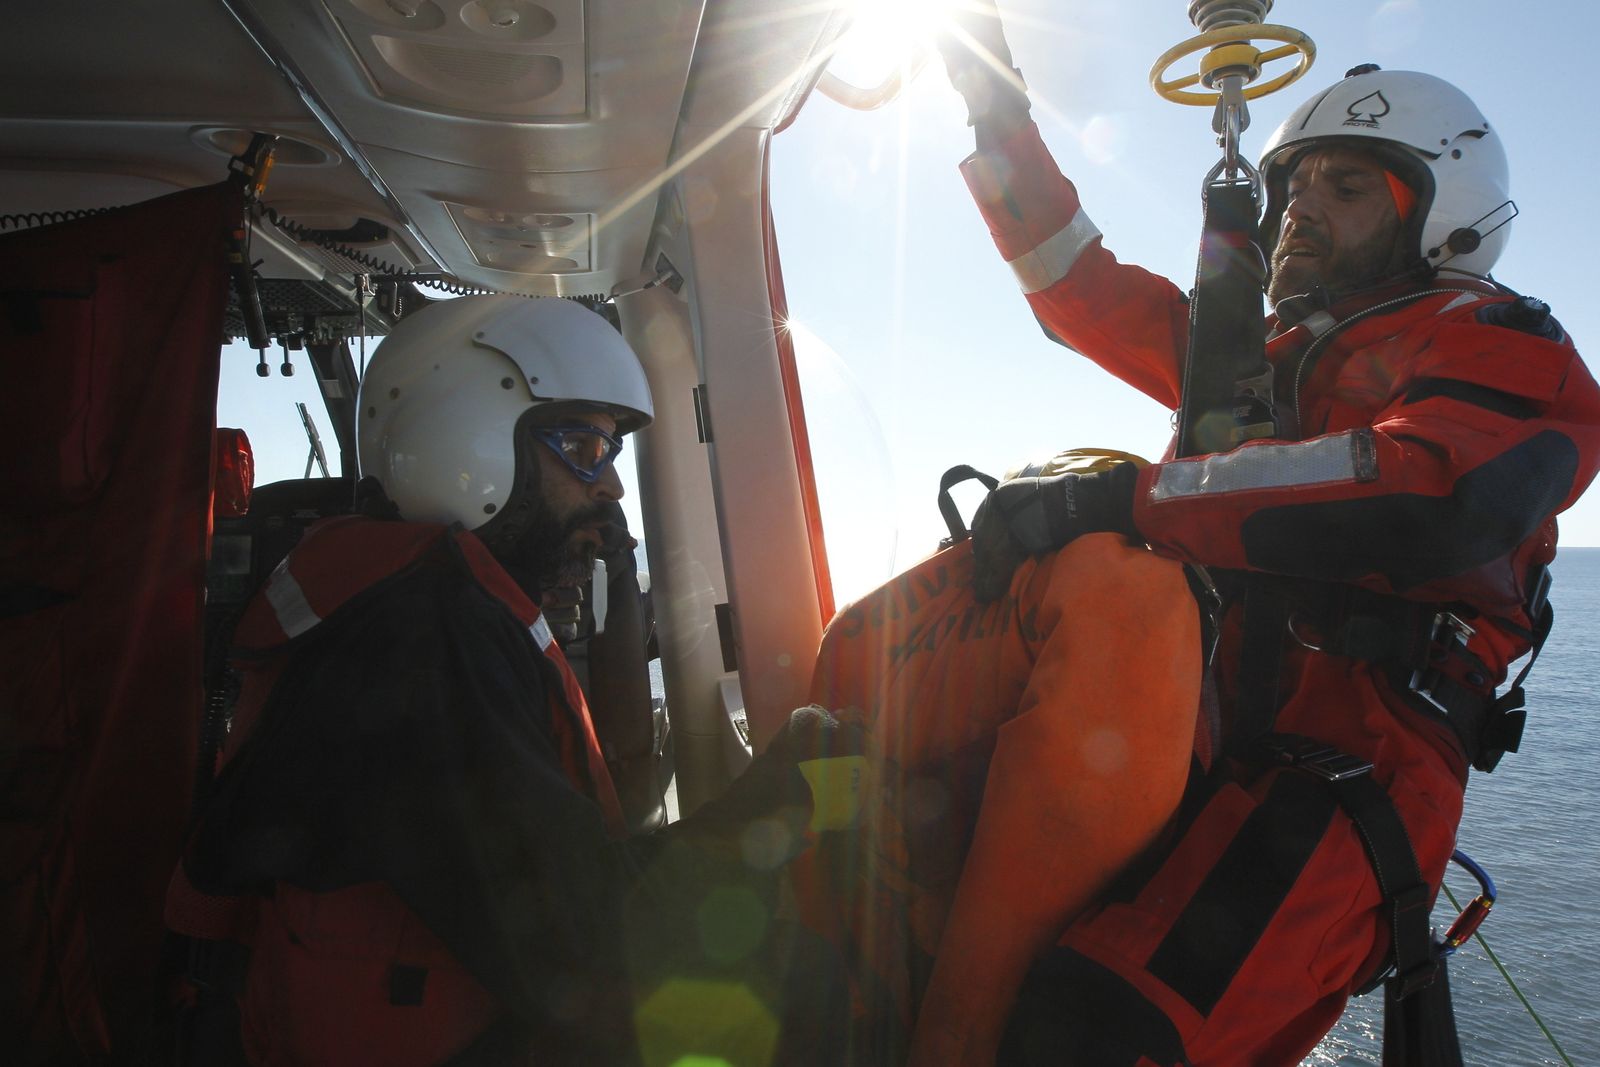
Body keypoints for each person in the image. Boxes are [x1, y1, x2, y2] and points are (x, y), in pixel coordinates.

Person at [911, 7, 1600, 1065]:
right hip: (1189, 724)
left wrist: (1128, 500)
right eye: (1292, 187)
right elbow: (1076, 287)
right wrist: (995, 109)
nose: (1296, 211)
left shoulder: (1501, 346)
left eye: (1346, 185)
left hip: (1347, 773)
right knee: (942, 911)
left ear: (1441, 208)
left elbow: (1426, 489)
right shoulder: (1251, 363)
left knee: (1100, 1031)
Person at [167, 295, 852, 1066]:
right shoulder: (423, 640)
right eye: (584, 446)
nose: (613, 489)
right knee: (810, 984)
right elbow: (593, 940)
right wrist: (789, 794)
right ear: (469, 434)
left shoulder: (413, 610)